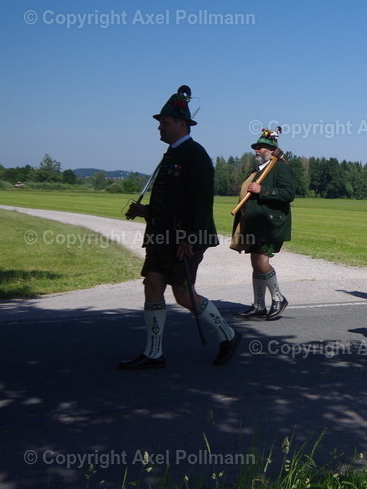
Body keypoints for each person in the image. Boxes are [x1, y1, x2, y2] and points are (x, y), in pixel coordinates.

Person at [119, 85, 240, 369]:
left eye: (165, 122)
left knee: (183, 294)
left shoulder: (195, 155)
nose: (160, 127)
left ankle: (229, 335)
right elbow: (171, 203)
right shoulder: (171, 155)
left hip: (184, 240)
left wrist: (191, 239)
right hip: (161, 237)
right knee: (152, 286)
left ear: (182, 124)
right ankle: (153, 353)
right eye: (160, 122)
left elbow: (200, 203)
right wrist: (146, 211)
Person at [231, 128, 296, 320]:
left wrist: (263, 189)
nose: (256, 151)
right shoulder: (257, 170)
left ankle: (278, 298)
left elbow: (288, 194)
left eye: (260, 148)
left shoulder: (280, 168)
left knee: (261, 262)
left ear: (270, 150)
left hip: (270, 225)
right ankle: (259, 305)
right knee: (255, 264)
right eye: (256, 148)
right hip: (254, 224)